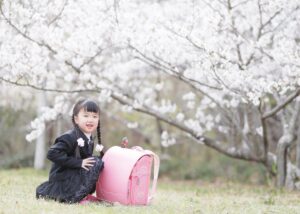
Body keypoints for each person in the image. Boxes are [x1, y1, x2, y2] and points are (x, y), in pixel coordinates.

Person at [36, 99, 105, 204]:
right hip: (63, 179)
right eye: (86, 116)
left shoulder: (88, 137)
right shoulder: (69, 137)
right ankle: (74, 197)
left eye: (94, 117)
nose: (90, 120)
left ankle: (83, 194)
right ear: (76, 119)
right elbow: (52, 153)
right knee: (96, 163)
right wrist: (79, 163)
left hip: (74, 176)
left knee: (100, 162)